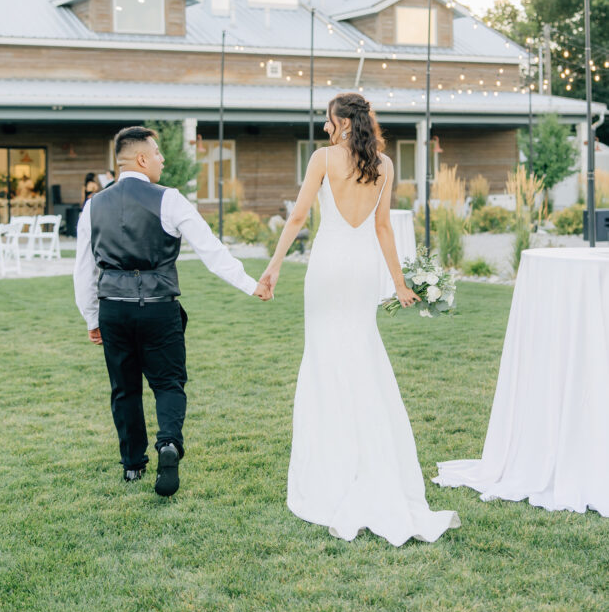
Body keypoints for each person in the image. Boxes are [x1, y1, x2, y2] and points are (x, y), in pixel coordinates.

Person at [259, 93, 460, 545]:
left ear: (345, 123)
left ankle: (334, 470)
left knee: (326, 361)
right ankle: (367, 458)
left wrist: (272, 268)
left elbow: (296, 218)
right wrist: (399, 283)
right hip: (362, 270)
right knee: (361, 358)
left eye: (330, 120)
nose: (326, 127)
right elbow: (383, 228)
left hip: (329, 268)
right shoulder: (384, 165)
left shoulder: (323, 159)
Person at [74, 125, 271, 496]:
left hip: (112, 309)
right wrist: (250, 284)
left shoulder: (92, 205)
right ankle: (168, 444)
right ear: (142, 158)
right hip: (158, 308)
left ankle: (133, 465)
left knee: (124, 389)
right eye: (159, 154)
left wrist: (91, 318)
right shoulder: (170, 199)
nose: (163, 160)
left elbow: (84, 269)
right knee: (168, 382)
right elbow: (211, 250)